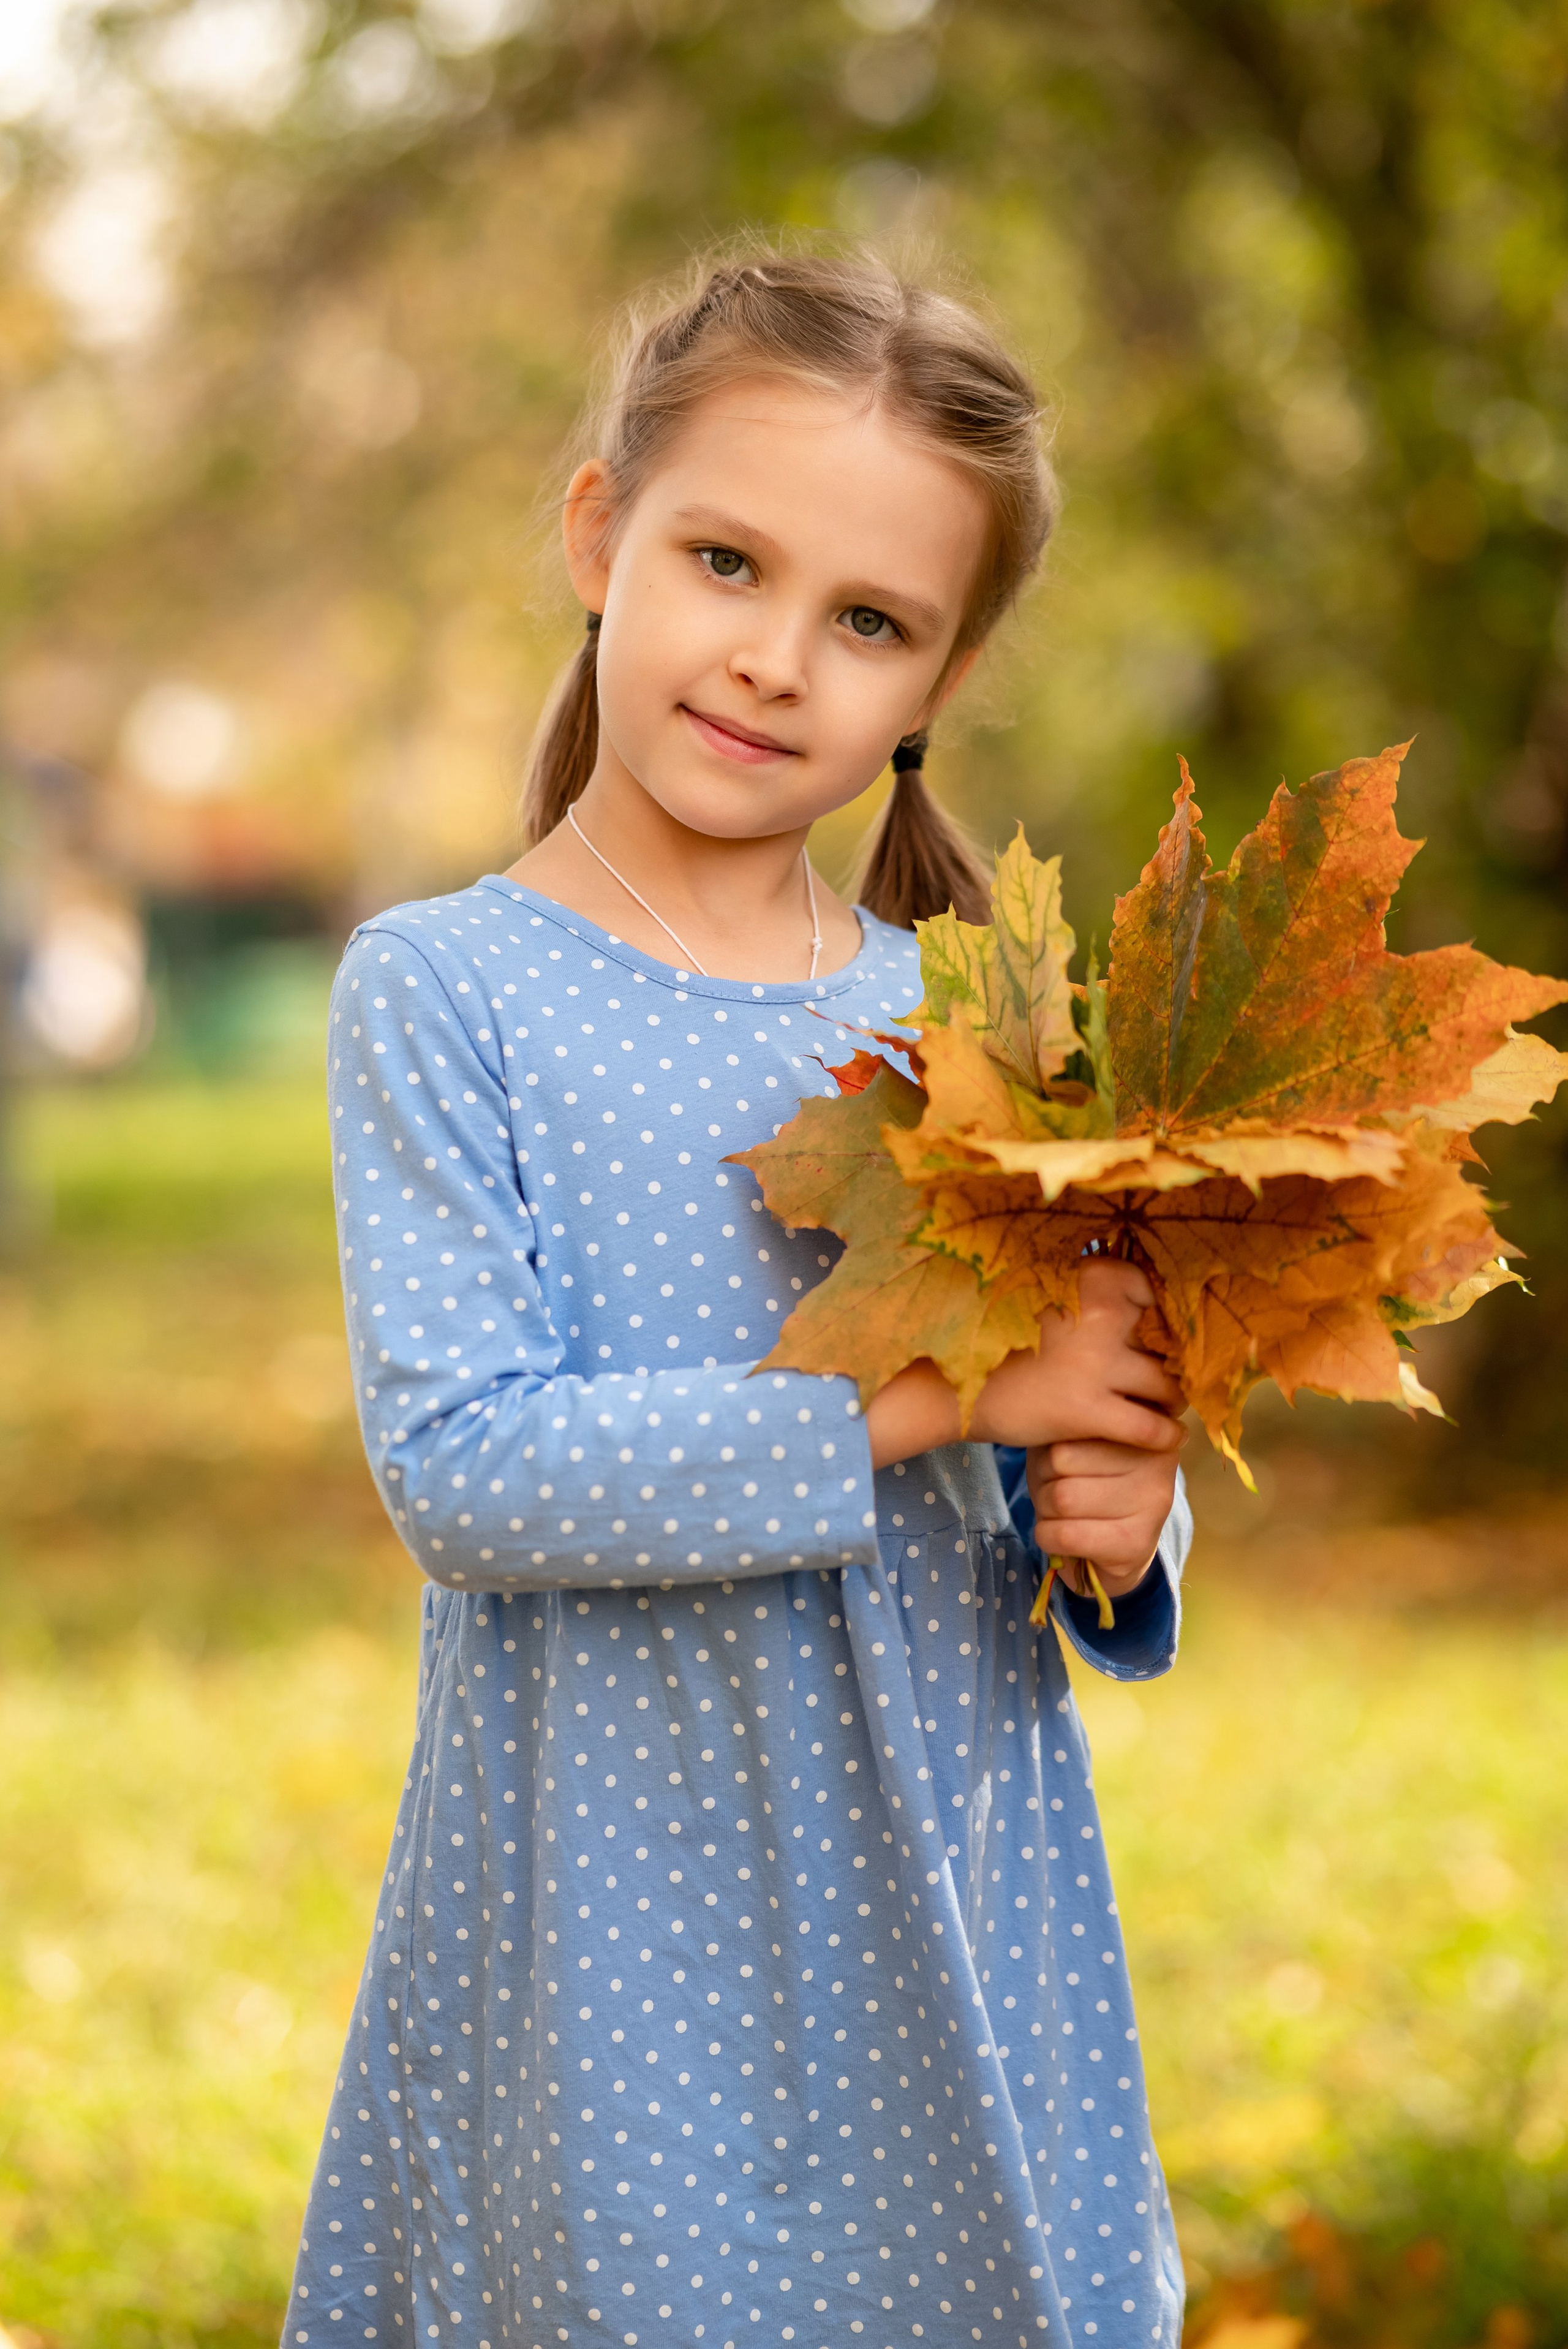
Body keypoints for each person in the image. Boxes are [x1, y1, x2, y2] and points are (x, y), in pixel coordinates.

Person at [287, 249, 1191, 2349]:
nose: (777, 658)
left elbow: (1073, 1439)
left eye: (868, 620)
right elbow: (465, 1468)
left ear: (934, 680)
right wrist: (933, 1395)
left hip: (949, 1885)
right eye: (726, 561)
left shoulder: (970, 1018)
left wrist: (1124, 1510)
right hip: (617, 1909)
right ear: (605, 537)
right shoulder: (450, 991)